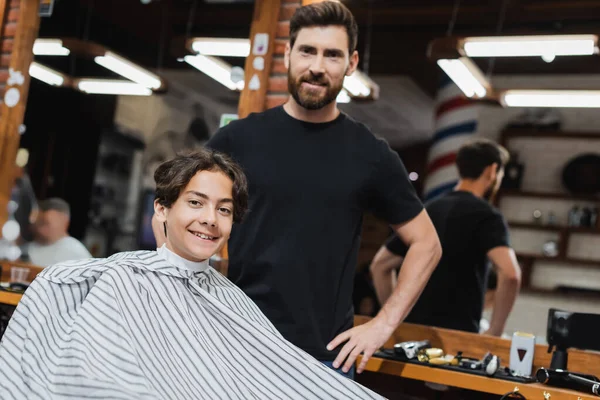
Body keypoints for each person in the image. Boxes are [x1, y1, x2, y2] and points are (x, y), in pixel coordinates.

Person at [0, 149, 383, 400]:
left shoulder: (233, 300)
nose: (209, 220)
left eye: (224, 209)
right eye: (196, 203)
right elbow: (101, 383)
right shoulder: (122, 281)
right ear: (163, 210)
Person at [205, 1, 441, 377]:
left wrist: (383, 324)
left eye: (332, 55)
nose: (317, 66)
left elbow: (427, 243)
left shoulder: (371, 155)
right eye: (307, 51)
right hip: (238, 346)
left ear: (351, 63)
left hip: (323, 361)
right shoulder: (238, 140)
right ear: (287, 54)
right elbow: (176, 212)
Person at [370, 139, 522, 336]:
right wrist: (495, 331)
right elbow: (511, 274)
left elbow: (380, 265)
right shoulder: (487, 215)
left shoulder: (428, 210)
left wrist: (395, 317)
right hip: (458, 338)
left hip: (411, 337)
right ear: (492, 171)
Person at [27, 198, 92, 267]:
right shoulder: (28, 247)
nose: (40, 228)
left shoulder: (75, 251)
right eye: (39, 222)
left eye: (46, 223)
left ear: (64, 221)